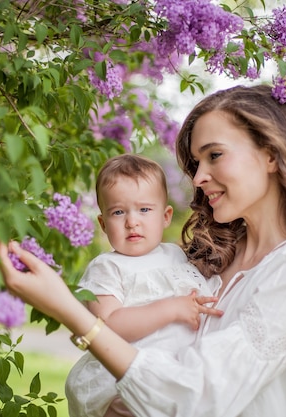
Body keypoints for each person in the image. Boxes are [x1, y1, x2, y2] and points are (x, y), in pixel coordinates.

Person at [0, 84, 286, 417]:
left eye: (214, 155)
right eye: (196, 162)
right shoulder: (209, 261)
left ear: (271, 155)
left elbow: (196, 397)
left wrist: (65, 308)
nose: (198, 178)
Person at [65, 154, 222, 417]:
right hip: (121, 382)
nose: (132, 221)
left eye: (144, 209)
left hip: (174, 379)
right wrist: (171, 309)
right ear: (103, 223)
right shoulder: (107, 267)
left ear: (166, 216)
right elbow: (108, 325)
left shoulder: (176, 256)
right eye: (118, 212)